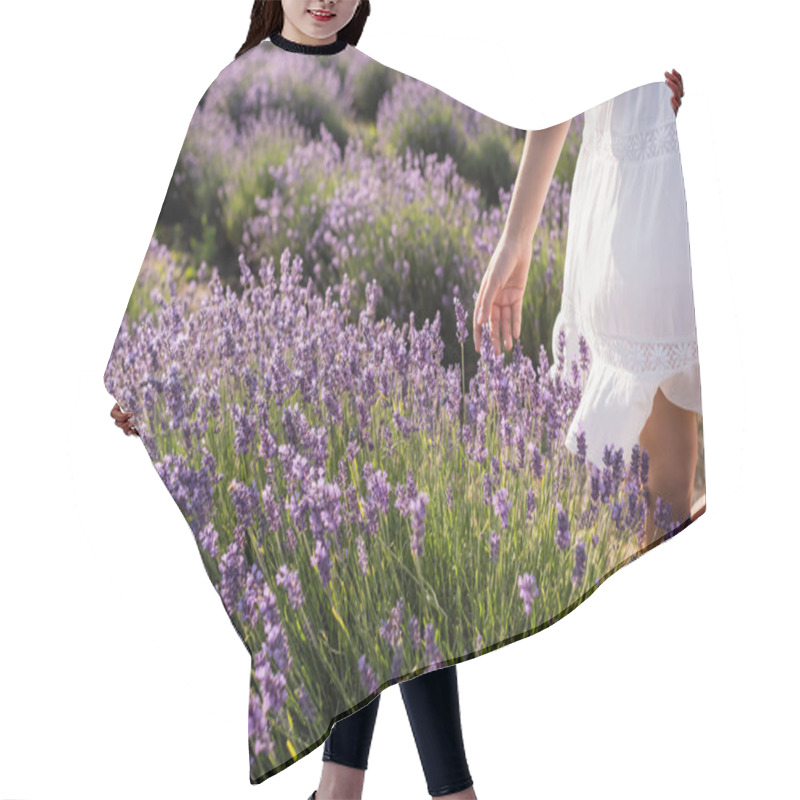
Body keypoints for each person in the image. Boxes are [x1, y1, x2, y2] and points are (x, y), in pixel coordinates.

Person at [108, 2, 689, 796]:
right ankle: (429, 791)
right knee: (378, 577)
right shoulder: (231, 82)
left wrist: (637, 100)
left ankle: (352, 789)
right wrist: (146, 387)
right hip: (286, 392)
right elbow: (173, 252)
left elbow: (527, 104)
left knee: (393, 575)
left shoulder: (385, 69)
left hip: (369, 385)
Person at [473, 68, 699, 551]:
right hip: (655, 196)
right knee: (671, 480)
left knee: (670, 481)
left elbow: (560, 60)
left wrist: (518, 233)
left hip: (647, 207)